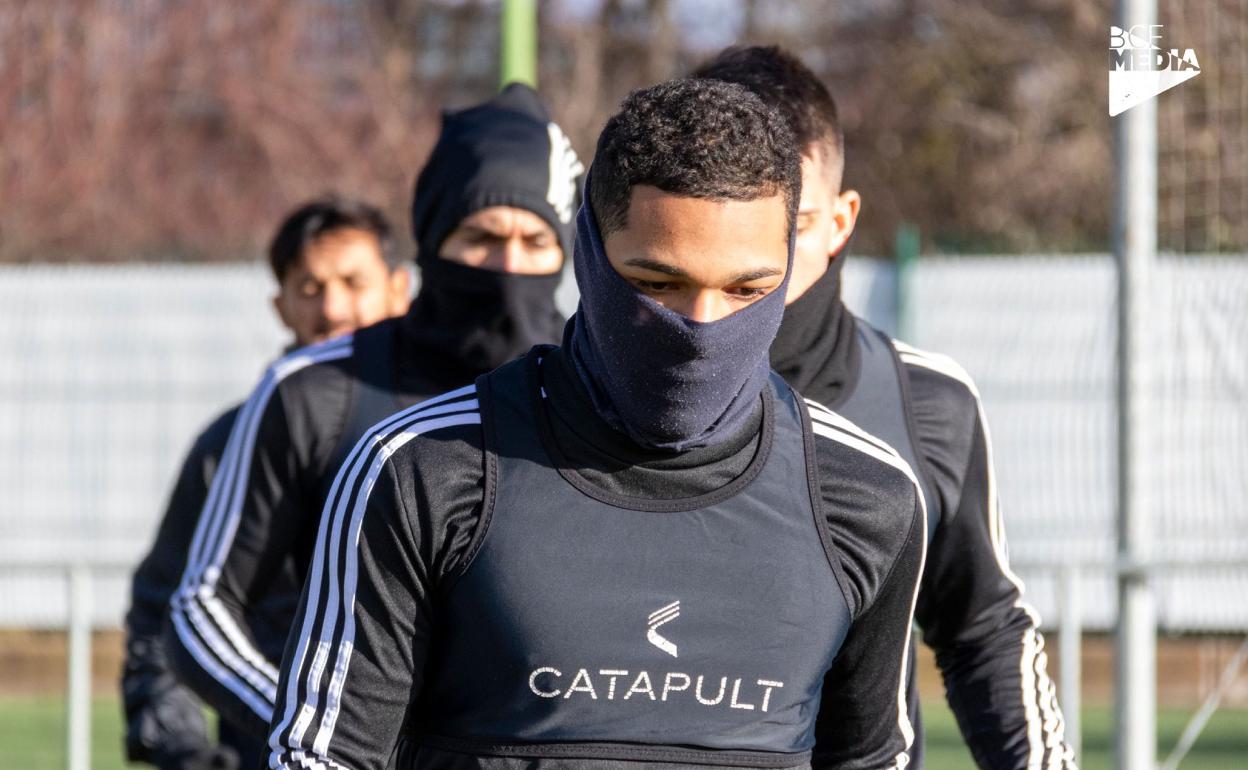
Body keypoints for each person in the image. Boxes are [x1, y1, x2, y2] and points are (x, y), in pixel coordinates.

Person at [265, 77, 928, 770]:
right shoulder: (423, 467)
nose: (701, 327)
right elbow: (322, 756)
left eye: (747, 290)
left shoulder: (866, 496)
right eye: (657, 283)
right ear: (587, 250)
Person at [164, 83, 584, 746]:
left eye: (535, 240)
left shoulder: (593, 389)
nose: (507, 267)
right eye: (479, 236)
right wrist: (322, 729)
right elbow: (201, 609)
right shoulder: (317, 390)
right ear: (431, 238)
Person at [694, 46, 1077, 769]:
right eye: (735, 221)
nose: (759, 261)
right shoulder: (582, 398)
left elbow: (982, 630)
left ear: (840, 223)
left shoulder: (926, 403)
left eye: (791, 225)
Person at [122, 197, 410, 770]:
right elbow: (164, 617)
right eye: (309, 288)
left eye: (353, 282)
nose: (332, 308)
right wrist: (184, 752)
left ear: (399, 289)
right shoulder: (227, 445)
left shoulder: (455, 433)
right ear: (280, 307)